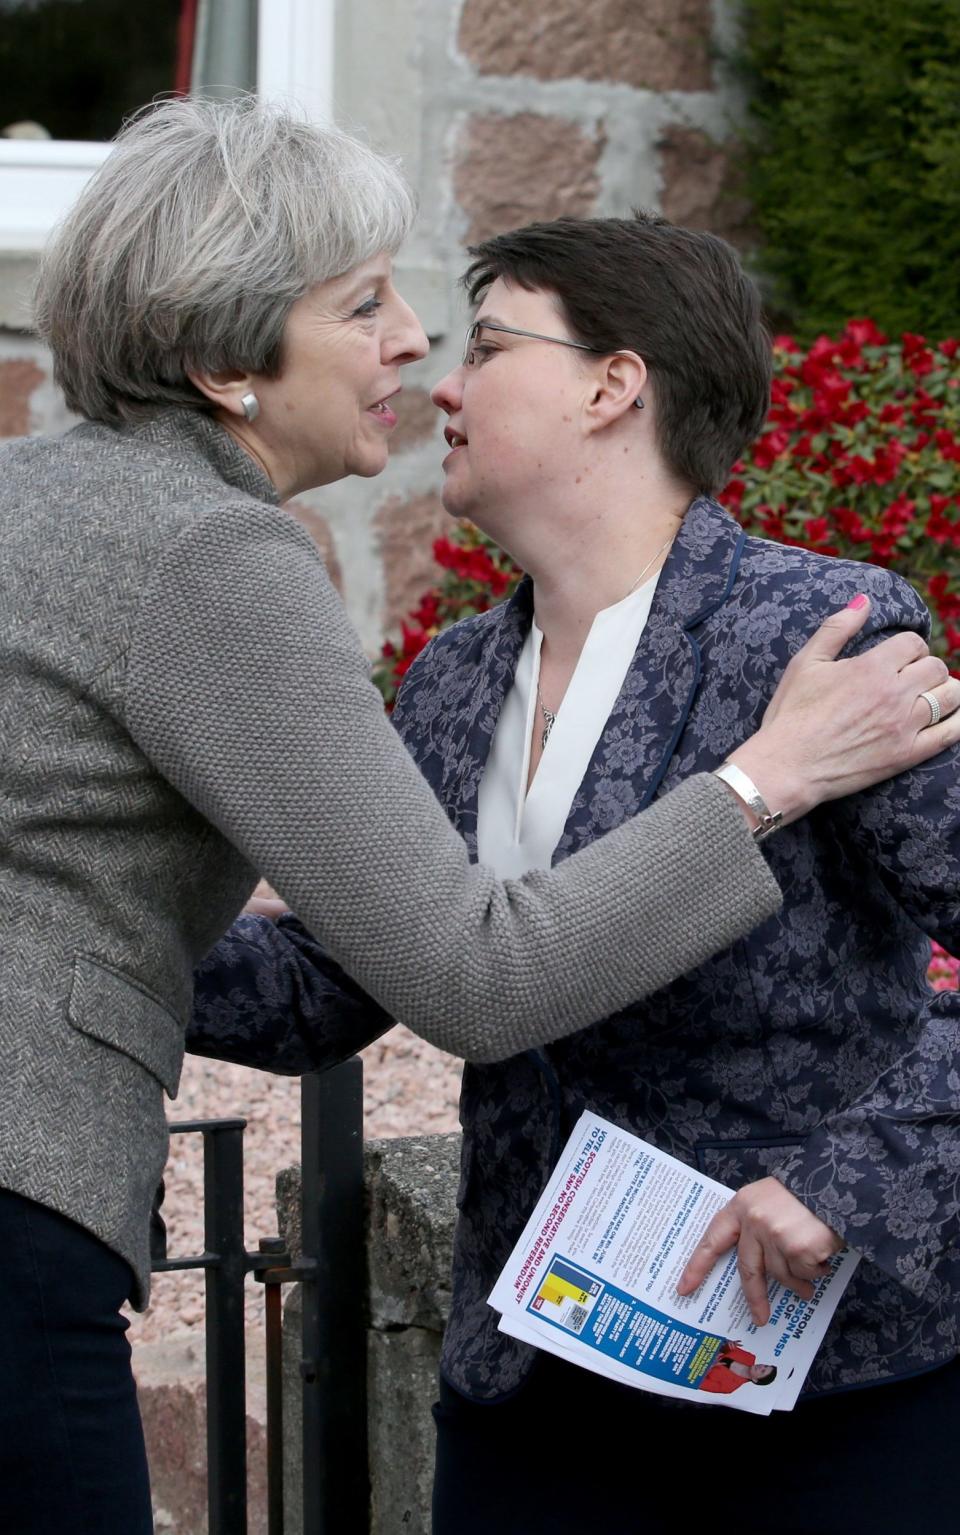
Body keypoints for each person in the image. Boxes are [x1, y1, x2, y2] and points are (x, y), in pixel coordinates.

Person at [2, 99, 942, 1534]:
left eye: (487, 342)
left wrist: (852, 1181)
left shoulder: (823, 633)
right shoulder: (448, 674)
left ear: (614, 387)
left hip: (821, 1380)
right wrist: (102, 935)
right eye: (373, 306)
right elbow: (368, 973)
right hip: (542, 1381)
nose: (429, 363)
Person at [698, 1343, 777, 1395]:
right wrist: (727, 1345)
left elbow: (695, 1383)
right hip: (697, 1345)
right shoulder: (750, 1357)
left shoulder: (729, 1387)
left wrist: (707, 1366)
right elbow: (722, 1347)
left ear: (755, 1380)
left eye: (762, 1371)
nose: (761, 1367)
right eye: (765, 1366)